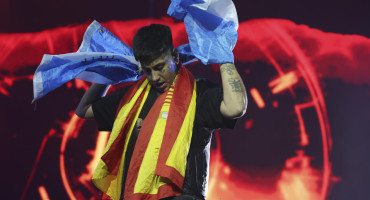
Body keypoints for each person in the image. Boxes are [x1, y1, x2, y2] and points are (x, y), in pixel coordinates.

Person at [75, 24, 247, 200]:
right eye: (148, 71)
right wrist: (108, 76)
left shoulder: (198, 93)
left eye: (160, 67)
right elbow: (84, 109)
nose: (155, 77)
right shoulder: (132, 99)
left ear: (175, 56)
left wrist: (226, 59)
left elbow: (235, 107)